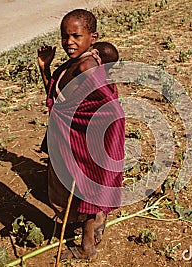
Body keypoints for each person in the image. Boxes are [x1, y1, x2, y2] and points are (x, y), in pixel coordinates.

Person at [37, 9, 124, 260]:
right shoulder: (73, 63)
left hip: (84, 142)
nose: (69, 42)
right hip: (71, 137)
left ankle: (87, 249)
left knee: (87, 191)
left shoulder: (87, 66)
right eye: (65, 36)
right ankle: (93, 229)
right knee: (79, 191)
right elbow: (58, 98)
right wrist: (45, 67)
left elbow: (110, 106)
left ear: (92, 37)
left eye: (76, 36)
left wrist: (94, 138)